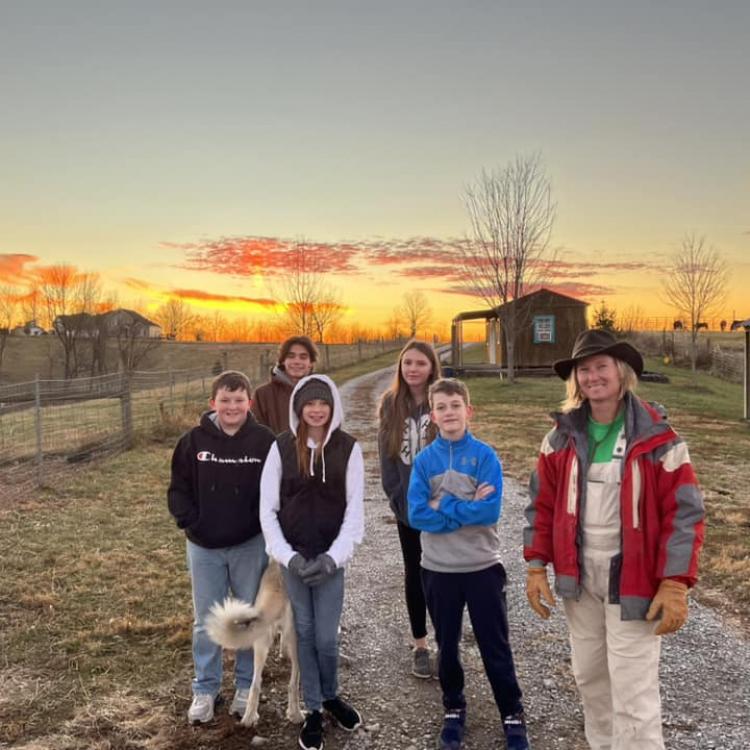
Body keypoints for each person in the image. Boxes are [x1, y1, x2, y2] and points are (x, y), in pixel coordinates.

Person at [523, 329, 705, 750]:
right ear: (576, 380)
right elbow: (541, 506)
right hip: (579, 577)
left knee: (633, 687)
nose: (592, 377)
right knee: (589, 677)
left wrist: (676, 581)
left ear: (622, 374)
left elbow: (686, 514)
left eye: (601, 366)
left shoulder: (659, 440)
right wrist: (536, 564)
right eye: (584, 370)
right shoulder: (559, 439)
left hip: (635, 580)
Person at [408, 378, 530, 750]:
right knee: (447, 645)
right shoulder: (424, 461)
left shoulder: (485, 456)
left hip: (481, 568)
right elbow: (416, 515)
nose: (449, 413)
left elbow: (489, 511)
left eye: (455, 406)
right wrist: (464, 508)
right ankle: (453, 708)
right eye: (441, 407)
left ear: (468, 410)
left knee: (496, 645)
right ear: (432, 415)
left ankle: (512, 712)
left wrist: (440, 505)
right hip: (439, 570)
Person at [260, 374, 364, 750]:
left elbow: (354, 513)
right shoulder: (281, 448)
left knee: (326, 636)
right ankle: (314, 708)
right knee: (303, 633)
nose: (317, 409)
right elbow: (267, 510)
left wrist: (333, 558)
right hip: (294, 561)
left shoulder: (348, 448)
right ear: (299, 407)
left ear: (332, 407)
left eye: (324, 403)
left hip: (329, 560)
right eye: (310, 403)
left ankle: (332, 695)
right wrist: (287, 557)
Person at [167, 370, 275, 724]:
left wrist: (265, 529)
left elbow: (275, 491)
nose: (232, 406)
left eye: (238, 400)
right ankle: (206, 687)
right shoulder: (193, 441)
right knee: (205, 620)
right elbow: (178, 488)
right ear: (213, 403)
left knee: (247, 616)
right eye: (225, 400)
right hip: (204, 547)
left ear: (250, 403)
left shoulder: (264, 442)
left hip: (249, 544)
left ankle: (246, 686)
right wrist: (191, 522)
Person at [377, 339, 441, 678]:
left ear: (431, 367)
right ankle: (420, 644)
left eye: (420, 363)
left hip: (441, 507)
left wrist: (445, 502)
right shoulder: (391, 404)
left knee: (443, 573)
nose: (413, 369)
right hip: (407, 507)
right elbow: (387, 457)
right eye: (407, 363)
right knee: (414, 572)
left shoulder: (441, 399)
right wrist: (397, 499)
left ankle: (446, 641)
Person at [252, 335, 318, 433]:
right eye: (291, 356)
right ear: (283, 361)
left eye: (303, 357)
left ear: (311, 363)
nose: (297, 361)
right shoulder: (262, 395)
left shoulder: (320, 392)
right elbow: (256, 434)